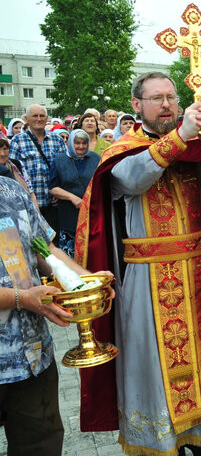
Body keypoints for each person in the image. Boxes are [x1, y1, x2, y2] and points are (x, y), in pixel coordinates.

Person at [74, 72, 201, 456]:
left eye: (171, 97)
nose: (166, 104)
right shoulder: (124, 148)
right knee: (150, 365)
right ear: (137, 105)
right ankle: (162, 441)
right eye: (157, 98)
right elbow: (131, 181)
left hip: (199, 274)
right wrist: (182, 137)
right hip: (147, 282)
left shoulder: (193, 148)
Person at [0, 172, 107, 455]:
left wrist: (88, 282)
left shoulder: (12, 190)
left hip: (32, 356)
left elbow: (44, 250)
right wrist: (22, 298)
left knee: (41, 446)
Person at [9, 104, 66, 231]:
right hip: (30, 206)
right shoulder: (17, 141)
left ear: (47, 118)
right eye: (35, 116)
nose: (39, 119)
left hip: (54, 205)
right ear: (27, 119)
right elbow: (14, 174)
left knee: (54, 244)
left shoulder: (57, 140)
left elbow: (65, 170)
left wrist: (60, 190)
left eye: (42, 116)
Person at [48, 129, 100, 258]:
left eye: (84, 143)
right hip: (69, 213)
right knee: (71, 254)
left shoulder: (96, 158)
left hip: (92, 213)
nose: (81, 146)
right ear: (71, 143)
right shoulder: (59, 160)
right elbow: (53, 188)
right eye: (77, 143)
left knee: (92, 255)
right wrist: (72, 198)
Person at [0, 137, 38, 208]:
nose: (2, 153)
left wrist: (37, 215)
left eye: (5, 149)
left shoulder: (17, 165)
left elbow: (30, 192)